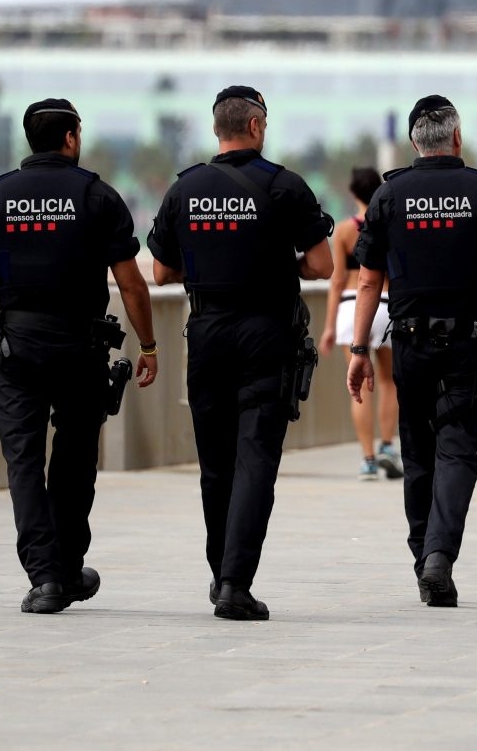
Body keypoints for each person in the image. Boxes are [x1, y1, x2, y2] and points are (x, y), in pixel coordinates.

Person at [0, 98, 158, 614]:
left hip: (15, 349)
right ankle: (64, 566)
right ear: (70, 138)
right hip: (79, 349)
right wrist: (149, 345)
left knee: (22, 461)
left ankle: (47, 576)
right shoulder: (96, 195)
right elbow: (131, 284)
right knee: (74, 459)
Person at [148, 85, 334, 620]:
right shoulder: (284, 186)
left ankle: (219, 573)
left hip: (206, 332)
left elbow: (160, 272)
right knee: (256, 459)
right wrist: (282, 267)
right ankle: (235, 582)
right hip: (266, 332)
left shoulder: (186, 189)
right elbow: (321, 265)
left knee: (215, 464)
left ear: (216, 130)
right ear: (255, 126)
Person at [346, 95, 477, 607]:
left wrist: (359, 348)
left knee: (417, 451)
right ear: (457, 137)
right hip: (469, 346)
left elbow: (368, 283)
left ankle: (422, 557)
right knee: (457, 450)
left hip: (408, 343)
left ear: (414, 143)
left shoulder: (390, 195)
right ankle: (438, 558)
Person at [320, 167, 404, 481]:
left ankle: (367, 459)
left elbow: (337, 281)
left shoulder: (343, 231)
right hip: (383, 305)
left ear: (353, 194)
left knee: (358, 387)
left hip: (348, 308)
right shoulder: (390, 225)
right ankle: (386, 446)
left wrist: (329, 327)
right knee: (387, 382)